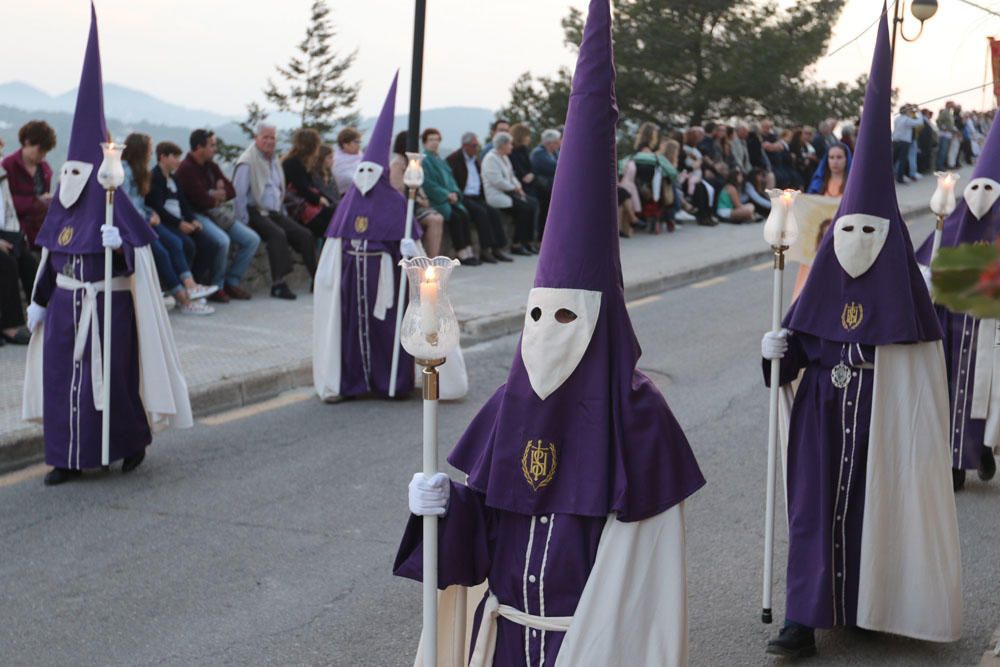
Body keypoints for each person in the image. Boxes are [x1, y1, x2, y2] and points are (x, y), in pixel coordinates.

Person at [395, 4, 705, 664]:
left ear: (604, 325)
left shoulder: (641, 422)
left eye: (566, 317)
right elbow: (479, 533)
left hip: (590, 646)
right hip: (506, 638)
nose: (546, 332)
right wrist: (440, 504)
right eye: (537, 315)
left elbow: (642, 582)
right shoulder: (509, 407)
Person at [761, 12, 961, 656]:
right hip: (821, 414)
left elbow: (926, 372)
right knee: (812, 513)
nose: (855, 243)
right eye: (846, 231)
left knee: (880, 513)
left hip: (883, 418)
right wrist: (775, 354)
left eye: (869, 233)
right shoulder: (818, 287)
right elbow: (785, 367)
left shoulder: (905, 295)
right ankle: (802, 615)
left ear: (891, 239)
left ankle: (872, 600)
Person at [23, 5, 191, 485]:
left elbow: (140, 261)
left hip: (108, 306)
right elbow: (49, 262)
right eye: (67, 171)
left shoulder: (117, 204)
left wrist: (121, 245)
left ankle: (129, 443)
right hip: (63, 308)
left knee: (112, 383)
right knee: (61, 384)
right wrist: (37, 304)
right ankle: (65, 457)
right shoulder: (62, 206)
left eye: (82, 171)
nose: (72, 180)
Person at [313, 75, 418, 402]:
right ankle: (353, 383)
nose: (364, 177)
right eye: (362, 171)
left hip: (385, 277)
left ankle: (392, 382)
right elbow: (334, 244)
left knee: (386, 330)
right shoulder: (350, 201)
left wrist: (409, 248)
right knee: (352, 333)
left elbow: (414, 245)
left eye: (371, 171)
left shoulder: (397, 202)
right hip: (352, 279)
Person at [915, 115, 1000, 491]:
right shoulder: (954, 219)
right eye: (975, 186)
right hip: (952, 326)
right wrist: (928, 275)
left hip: (989, 327)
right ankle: (953, 462)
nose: (981, 195)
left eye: (990, 187)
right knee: (952, 391)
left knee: (986, 393)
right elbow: (923, 262)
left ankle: (982, 451)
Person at [121, 133, 215, 315]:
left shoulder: (139, 172)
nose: (150, 155)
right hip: (135, 228)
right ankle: (184, 300)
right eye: (148, 150)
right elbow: (126, 206)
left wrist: (150, 214)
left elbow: (141, 204)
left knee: (176, 243)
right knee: (162, 253)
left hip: (145, 223)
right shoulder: (126, 172)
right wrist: (149, 218)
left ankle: (190, 286)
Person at [233, 124, 318, 299]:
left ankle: (316, 280)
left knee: (305, 235)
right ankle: (278, 284)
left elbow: (278, 190)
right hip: (254, 211)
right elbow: (239, 194)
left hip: (274, 212)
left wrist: (283, 215)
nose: (270, 141)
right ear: (256, 138)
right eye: (265, 137)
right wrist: (243, 222)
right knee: (278, 235)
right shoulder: (247, 161)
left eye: (272, 138)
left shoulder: (273, 161)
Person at [174, 129, 259, 301]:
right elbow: (200, 200)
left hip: (217, 214)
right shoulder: (186, 169)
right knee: (222, 241)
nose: (215, 149)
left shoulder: (210, 166)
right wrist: (215, 194)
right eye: (212, 145)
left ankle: (232, 281)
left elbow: (231, 190)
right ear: (199, 147)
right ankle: (217, 286)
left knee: (252, 240)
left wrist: (213, 195)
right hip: (197, 215)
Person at [146, 141, 228, 302]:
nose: (178, 161)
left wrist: (192, 219)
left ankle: (195, 284)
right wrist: (179, 223)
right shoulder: (155, 177)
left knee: (208, 244)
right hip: (167, 223)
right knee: (186, 244)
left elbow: (183, 203)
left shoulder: (174, 179)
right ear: (162, 157)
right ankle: (185, 287)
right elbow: (157, 207)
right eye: (175, 157)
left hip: (180, 222)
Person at [446, 132, 512, 263]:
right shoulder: (454, 159)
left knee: (493, 212)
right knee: (480, 213)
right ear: (465, 146)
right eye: (474, 145)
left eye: (477, 145)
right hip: (463, 196)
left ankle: (497, 248)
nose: (477, 149)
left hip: (476, 196)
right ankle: (485, 249)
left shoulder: (474, 160)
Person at [420, 128, 479, 266]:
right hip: (437, 201)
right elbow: (428, 183)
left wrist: (455, 193)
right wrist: (446, 195)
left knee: (464, 215)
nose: (434, 143)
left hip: (450, 199)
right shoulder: (424, 160)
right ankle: (461, 252)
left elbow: (451, 180)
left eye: (437, 139)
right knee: (455, 217)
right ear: (424, 142)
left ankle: (468, 249)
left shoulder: (439, 159)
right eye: (431, 140)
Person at [1, 120, 56, 250]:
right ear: (27, 142)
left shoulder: (45, 169)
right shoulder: (8, 166)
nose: (42, 155)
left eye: (45, 151)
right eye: (40, 150)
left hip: (40, 232)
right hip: (16, 232)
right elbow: (5, 202)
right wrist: (35, 202)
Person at [482, 131, 538, 255]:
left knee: (533, 204)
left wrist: (518, 187)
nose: (511, 147)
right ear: (502, 145)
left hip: (510, 192)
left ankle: (527, 241)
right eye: (509, 144)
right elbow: (497, 181)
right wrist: (515, 188)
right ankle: (516, 244)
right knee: (524, 208)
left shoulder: (505, 157)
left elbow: (511, 175)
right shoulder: (491, 158)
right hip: (496, 194)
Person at [389, 131, 444, 257]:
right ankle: (430, 258)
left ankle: (432, 258)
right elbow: (398, 189)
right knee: (435, 220)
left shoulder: (412, 161)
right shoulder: (397, 163)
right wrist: (418, 199)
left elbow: (420, 184)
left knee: (438, 217)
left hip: (416, 203)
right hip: (404, 206)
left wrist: (423, 197)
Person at [0, 137, 39, 311]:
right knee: (7, 264)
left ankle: (38, 311)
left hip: (5, 232)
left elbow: (7, 209)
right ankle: (11, 326)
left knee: (29, 261)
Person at [282, 128, 336, 239]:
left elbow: (311, 187)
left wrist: (328, 201)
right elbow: (302, 189)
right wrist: (319, 199)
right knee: (329, 222)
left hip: (304, 205)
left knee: (334, 212)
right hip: (295, 208)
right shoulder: (292, 164)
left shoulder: (301, 162)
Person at [508, 123, 544, 248]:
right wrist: (527, 176)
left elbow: (531, 169)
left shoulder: (524, 151)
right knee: (530, 204)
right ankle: (521, 241)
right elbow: (516, 171)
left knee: (542, 200)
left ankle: (530, 240)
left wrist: (532, 175)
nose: (529, 139)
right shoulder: (512, 152)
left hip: (528, 183)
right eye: (527, 136)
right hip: (520, 185)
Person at [891, 104, 922, 183]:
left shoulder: (897, 119)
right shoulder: (907, 120)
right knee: (902, 160)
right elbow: (919, 122)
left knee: (893, 160)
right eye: (909, 111)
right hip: (904, 142)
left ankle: (888, 176)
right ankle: (900, 179)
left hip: (895, 141)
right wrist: (919, 112)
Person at [333, 127, 363, 195]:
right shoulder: (336, 160)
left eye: (359, 142)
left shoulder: (360, 156)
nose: (359, 145)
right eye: (356, 142)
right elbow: (348, 180)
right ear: (345, 145)